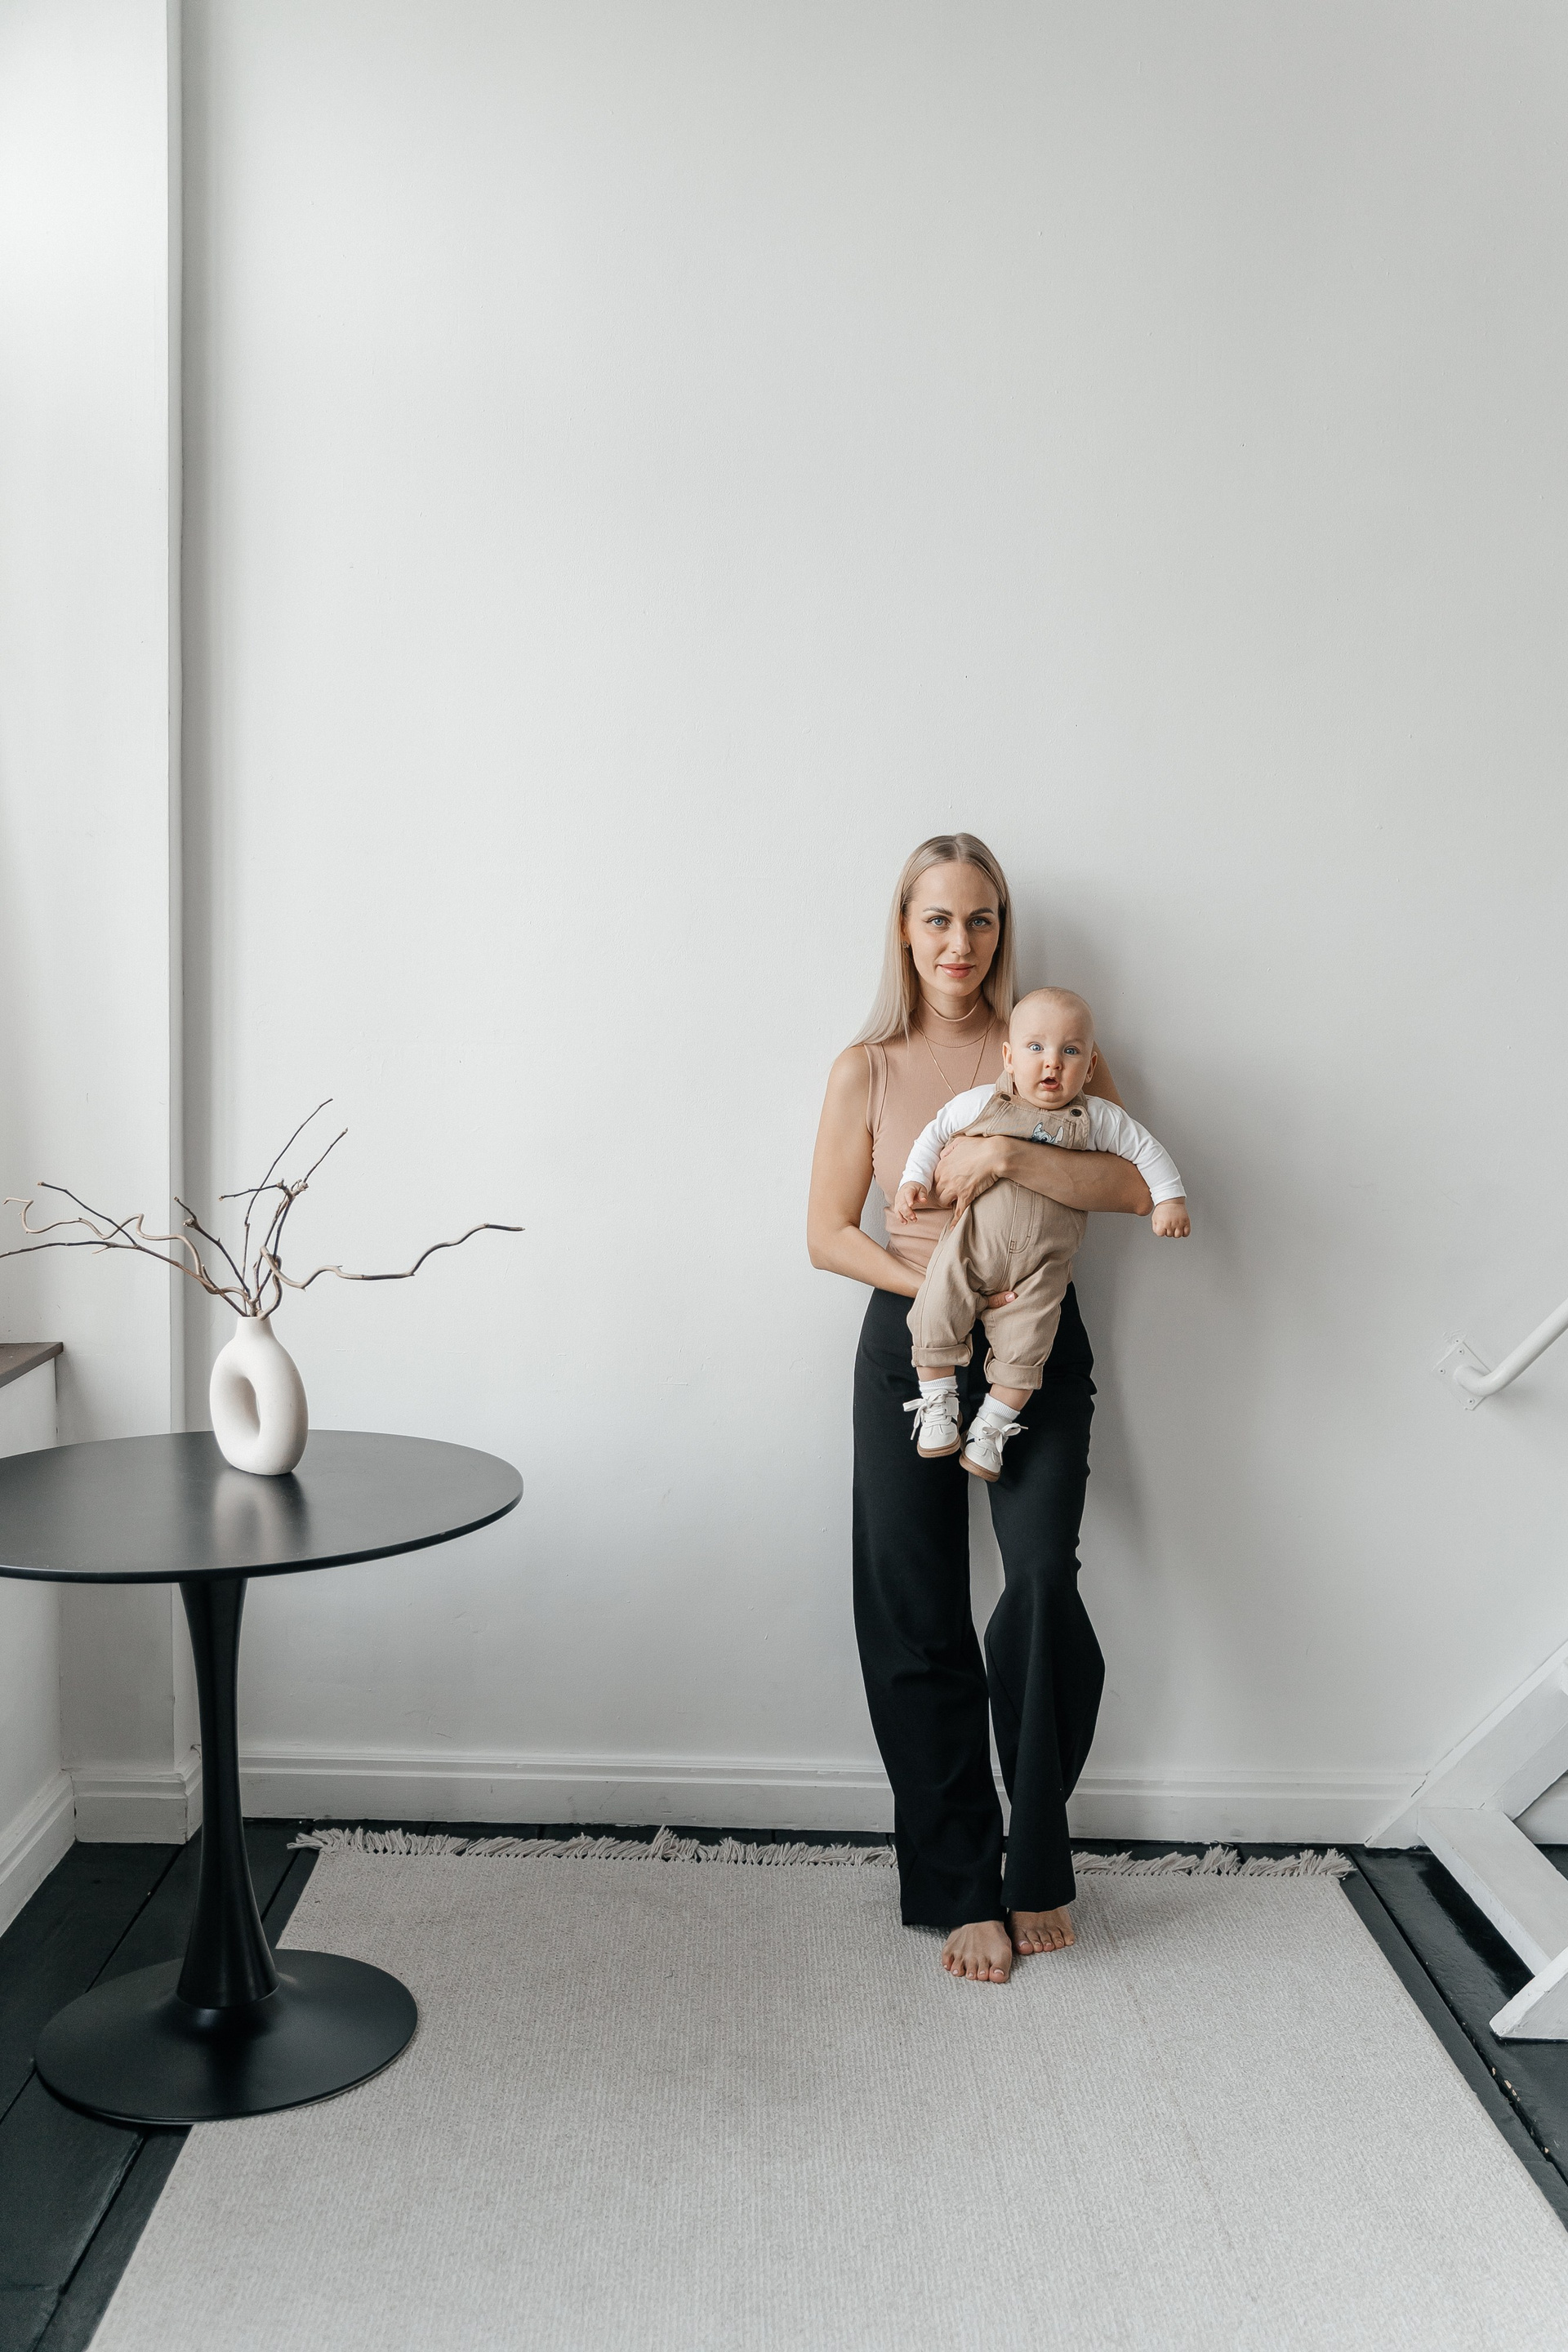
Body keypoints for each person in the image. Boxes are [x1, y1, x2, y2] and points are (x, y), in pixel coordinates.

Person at [807, 835, 1155, 1984]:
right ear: (905, 932)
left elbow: (1131, 1182)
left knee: (1042, 1583)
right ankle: (960, 1884)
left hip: (1036, 1351)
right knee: (915, 1614)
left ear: (1003, 930)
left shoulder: (1046, 1047)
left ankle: (1036, 1856)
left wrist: (1006, 1157)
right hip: (912, 1346)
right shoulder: (867, 1066)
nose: (961, 943)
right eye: (938, 919)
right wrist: (939, 1293)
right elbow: (827, 1235)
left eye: (982, 919)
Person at [897, 986, 1187, 1480]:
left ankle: (991, 1426)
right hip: (971, 1249)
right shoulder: (982, 1103)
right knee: (934, 1313)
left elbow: (1146, 1151)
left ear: (1089, 1067)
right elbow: (935, 1132)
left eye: (1069, 1051)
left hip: (1041, 1269)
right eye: (1036, 1048)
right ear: (1009, 1057)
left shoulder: (1098, 1118)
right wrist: (913, 1181)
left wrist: (1170, 1199)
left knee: (1030, 1346)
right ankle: (938, 1402)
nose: (1052, 1063)